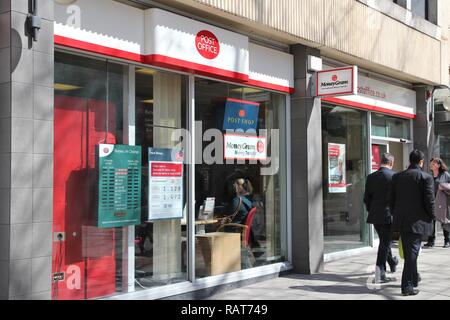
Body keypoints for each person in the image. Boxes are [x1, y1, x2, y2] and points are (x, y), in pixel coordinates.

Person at [390, 150, 435, 296]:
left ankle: (414, 279)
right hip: (417, 222)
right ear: (421, 162)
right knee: (412, 255)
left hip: (401, 221)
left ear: (410, 161)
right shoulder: (426, 177)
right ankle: (407, 286)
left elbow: (391, 201)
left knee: (411, 252)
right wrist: (433, 217)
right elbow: (430, 201)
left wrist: (396, 214)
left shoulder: (397, 176)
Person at [364, 153, 399, 283]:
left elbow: (366, 198)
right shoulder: (394, 176)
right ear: (391, 163)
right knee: (384, 243)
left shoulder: (371, 177)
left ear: (381, 162)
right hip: (388, 216)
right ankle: (380, 274)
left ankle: (392, 261)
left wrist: (371, 210)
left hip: (375, 215)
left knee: (385, 241)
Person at [423, 157, 450, 248]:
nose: (431, 165)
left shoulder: (445, 175)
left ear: (438, 165)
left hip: (442, 202)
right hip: (431, 201)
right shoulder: (429, 176)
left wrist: (444, 186)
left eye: (433, 164)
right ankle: (431, 241)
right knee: (431, 221)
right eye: (431, 163)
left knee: (444, 221)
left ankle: (447, 241)